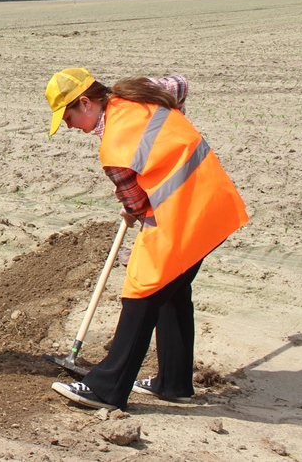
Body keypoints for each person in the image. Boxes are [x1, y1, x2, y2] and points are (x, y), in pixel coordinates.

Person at [44, 68, 248, 410]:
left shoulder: (113, 150)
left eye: (68, 117)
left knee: (143, 293)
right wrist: (173, 117)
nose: (68, 126)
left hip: (186, 219)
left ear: (86, 103)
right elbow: (180, 84)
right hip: (215, 202)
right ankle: (173, 382)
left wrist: (131, 207)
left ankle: (106, 389)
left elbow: (138, 205)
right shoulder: (138, 93)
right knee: (174, 292)